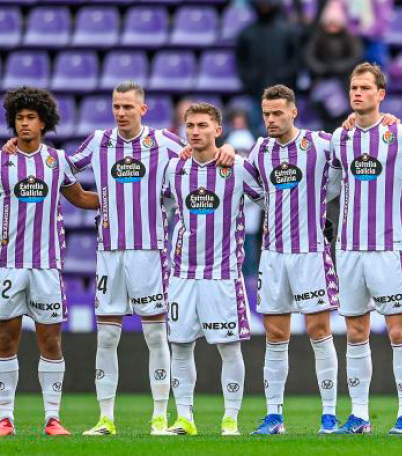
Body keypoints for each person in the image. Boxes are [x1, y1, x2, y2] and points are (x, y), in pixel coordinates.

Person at [0, 82, 237, 436]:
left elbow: (204, 149)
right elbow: (65, 175)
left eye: (128, 106)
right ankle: (105, 418)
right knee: (107, 338)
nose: (121, 112)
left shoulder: (165, 142)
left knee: (156, 337)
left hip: (150, 252)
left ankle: (159, 415)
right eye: (116, 106)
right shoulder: (97, 143)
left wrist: (230, 146)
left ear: (143, 110)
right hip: (109, 252)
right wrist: (16, 147)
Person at [329, 63, 402, 435]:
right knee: (355, 332)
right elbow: (332, 186)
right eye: (353, 87)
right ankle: (359, 416)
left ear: (381, 94)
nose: (357, 93)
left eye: (365, 88)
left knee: (399, 332)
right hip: (350, 249)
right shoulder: (341, 137)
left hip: (390, 246)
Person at [0, 87, 100, 437]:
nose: (24, 123)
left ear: (43, 122)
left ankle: (52, 419)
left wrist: (120, 198)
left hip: (47, 267)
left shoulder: (57, 160)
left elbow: (82, 198)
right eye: (19, 118)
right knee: (5, 342)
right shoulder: (2, 160)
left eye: (30, 118)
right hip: (8, 265)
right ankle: (5, 418)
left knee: (50, 342)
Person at [162, 102, 265, 436]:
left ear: (218, 130)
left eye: (203, 125)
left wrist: (234, 152)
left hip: (222, 274)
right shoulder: (173, 169)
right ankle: (185, 418)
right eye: (190, 126)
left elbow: (268, 200)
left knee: (229, 347)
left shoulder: (236, 167)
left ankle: (230, 418)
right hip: (182, 275)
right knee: (179, 345)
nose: (195, 131)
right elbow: (160, 206)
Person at [247, 85, 342, 435]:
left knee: (319, 330)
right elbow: (252, 188)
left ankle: (329, 416)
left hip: (310, 253)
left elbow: (350, 163)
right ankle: (274, 417)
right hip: (273, 255)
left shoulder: (320, 143)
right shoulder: (260, 150)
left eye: (277, 113)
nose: (270, 120)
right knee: (275, 334)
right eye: (266, 114)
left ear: (293, 112)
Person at [235, 0, 301, 137]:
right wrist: (248, 80)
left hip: (283, 89)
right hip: (256, 91)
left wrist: (288, 78)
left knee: (286, 127)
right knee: (256, 131)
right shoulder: (247, 33)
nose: (265, 9)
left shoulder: (287, 31)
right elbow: (240, 60)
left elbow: (296, 59)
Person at [306, 0, 364, 131]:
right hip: (321, 80)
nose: (332, 26)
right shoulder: (317, 37)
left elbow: (355, 57)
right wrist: (321, 69)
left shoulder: (349, 38)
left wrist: (338, 68)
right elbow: (309, 57)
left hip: (343, 82)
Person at [341, 0, 394, 67]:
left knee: (377, 69)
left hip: (376, 38)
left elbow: (384, 16)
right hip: (355, 38)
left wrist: (371, 30)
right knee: (356, 69)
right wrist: (355, 31)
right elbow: (348, 15)